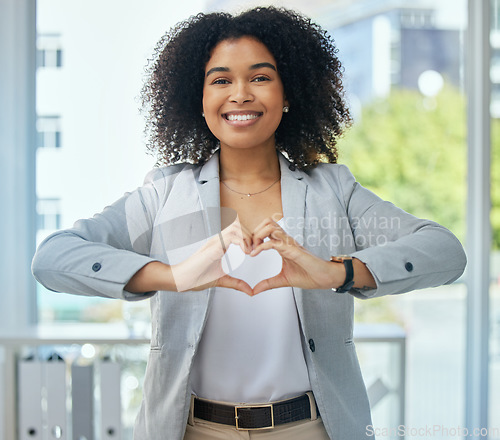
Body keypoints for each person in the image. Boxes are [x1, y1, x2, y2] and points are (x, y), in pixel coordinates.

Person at [32, 6, 467, 440]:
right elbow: (53, 258)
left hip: (311, 429)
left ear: (289, 92)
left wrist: (336, 272)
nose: (240, 94)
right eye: (220, 80)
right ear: (198, 99)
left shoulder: (334, 191)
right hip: (192, 430)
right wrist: (172, 275)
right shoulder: (164, 196)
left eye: (260, 77)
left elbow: (445, 251)